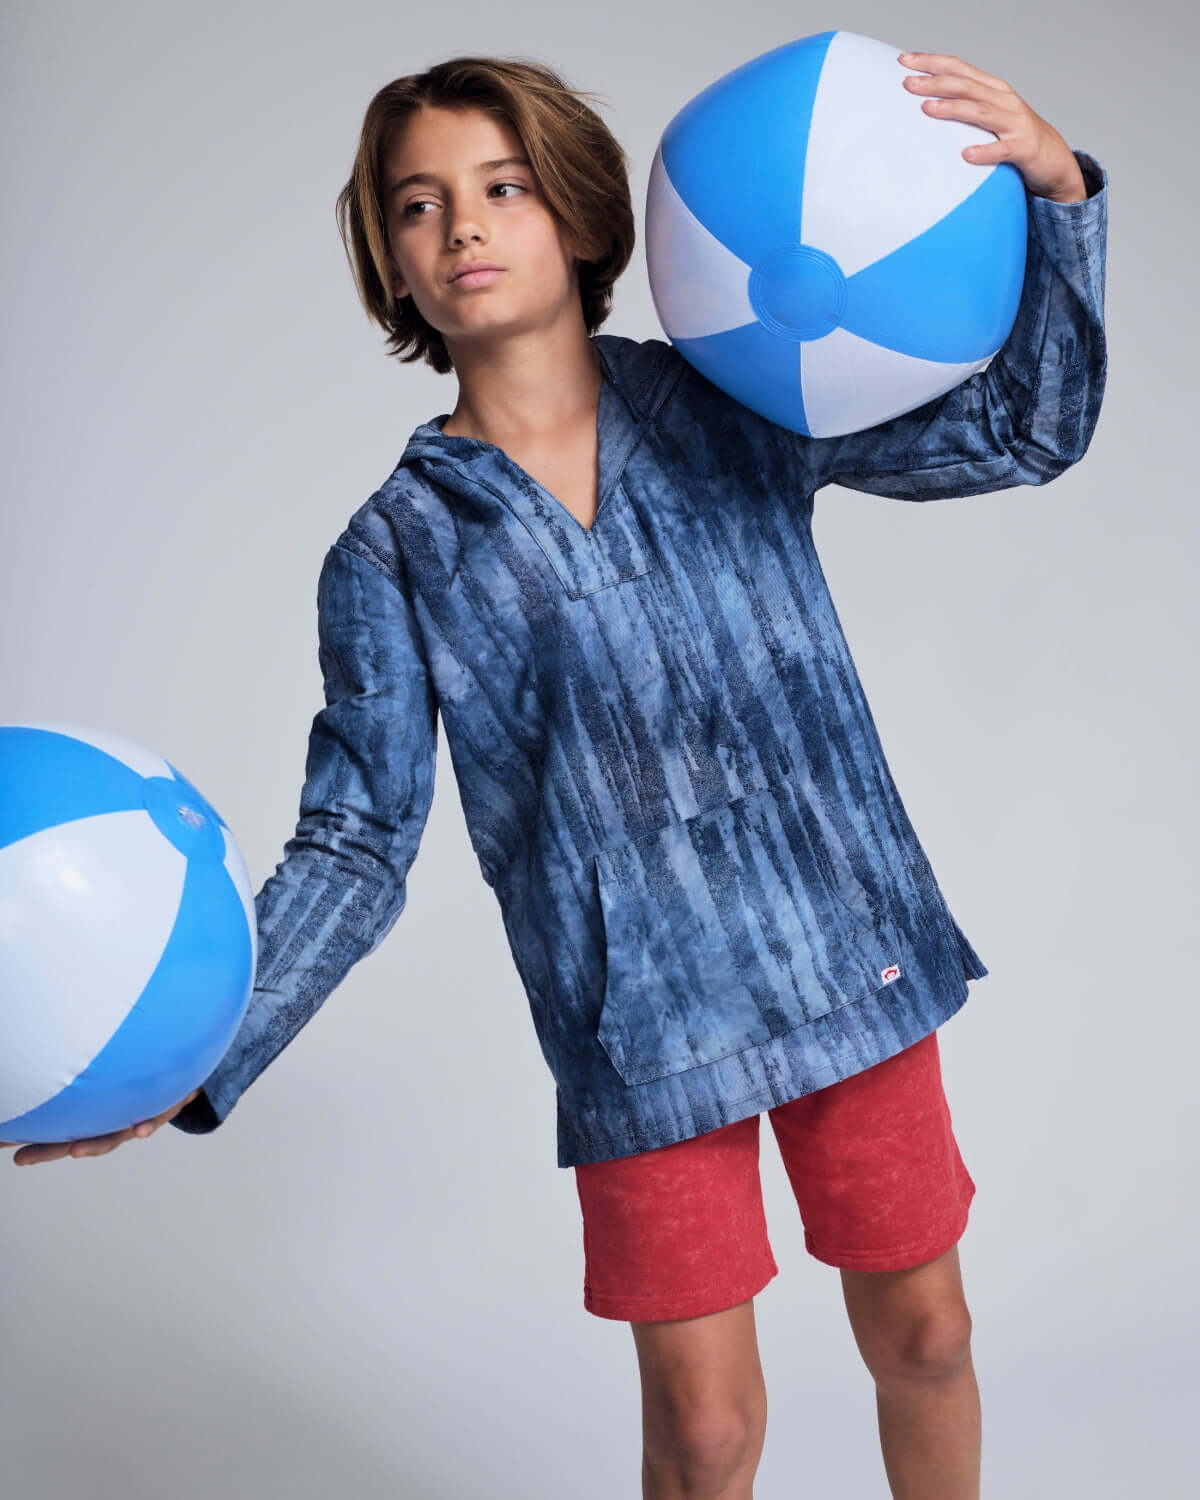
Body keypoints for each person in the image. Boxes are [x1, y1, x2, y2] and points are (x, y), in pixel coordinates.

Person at [3, 46, 1108, 1500]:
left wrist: (1060, 191)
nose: (461, 226)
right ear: (389, 265)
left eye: (501, 188)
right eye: (418, 205)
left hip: (852, 953)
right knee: (705, 1435)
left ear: (582, 221)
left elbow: (1024, 431)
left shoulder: (734, 406)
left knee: (928, 1338)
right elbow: (354, 841)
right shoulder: (395, 550)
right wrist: (204, 1051)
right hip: (639, 1022)